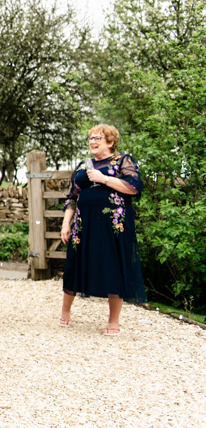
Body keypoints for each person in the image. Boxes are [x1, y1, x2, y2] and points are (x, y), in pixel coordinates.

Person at [59, 124, 146, 335]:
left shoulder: (122, 161)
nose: (93, 141)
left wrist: (104, 179)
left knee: (114, 266)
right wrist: (66, 223)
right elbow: (73, 197)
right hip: (84, 224)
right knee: (75, 263)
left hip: (114, 225)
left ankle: (113, 321)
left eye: (98, 138)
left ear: (111, 142)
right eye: (91, 138)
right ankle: (65, 312)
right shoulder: (83, 165)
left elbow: (133, 187)